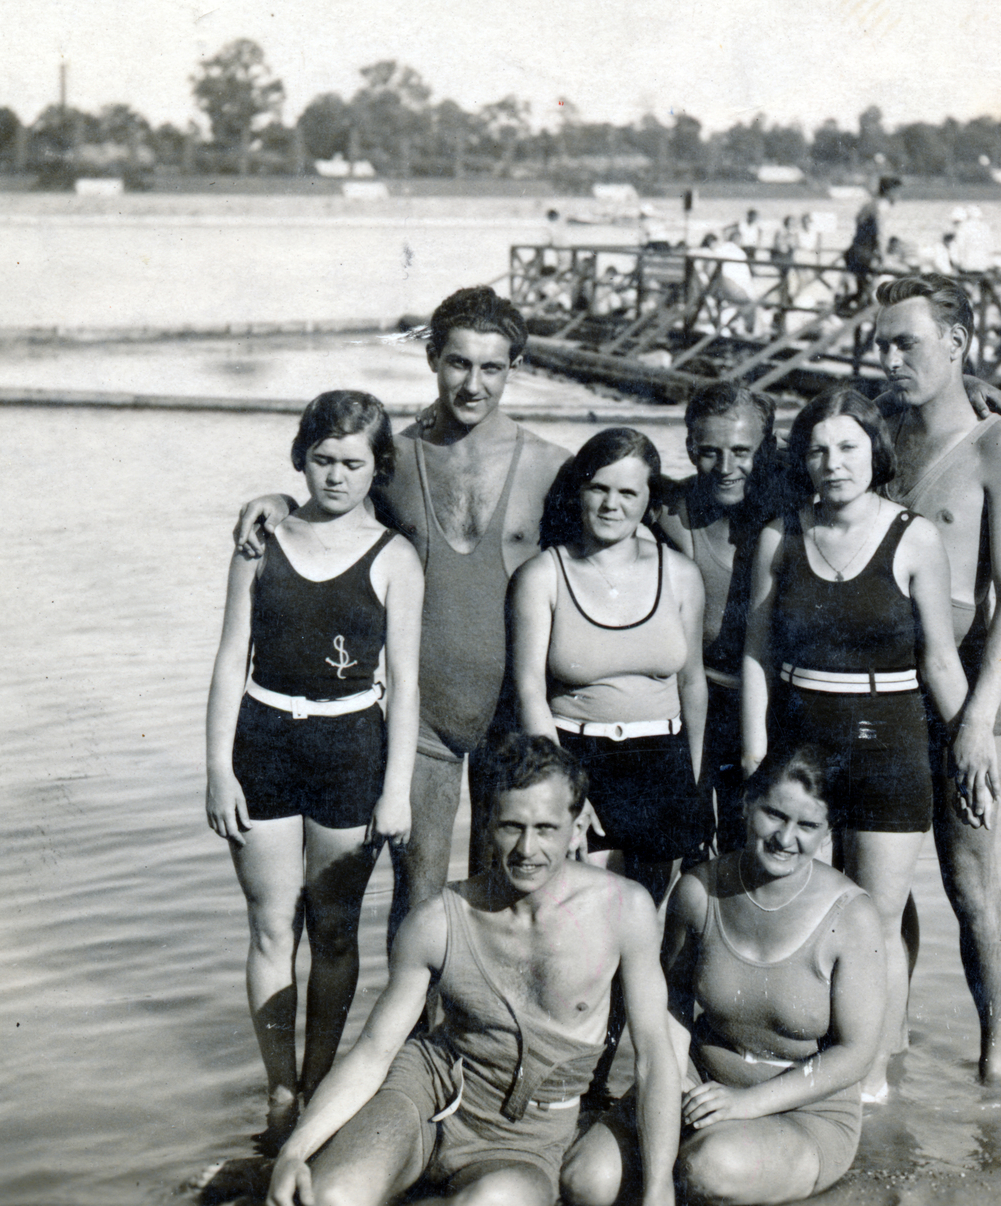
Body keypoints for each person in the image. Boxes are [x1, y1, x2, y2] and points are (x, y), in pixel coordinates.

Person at [234, 288, 570, 947]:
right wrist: (275, 498)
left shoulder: (551, 467)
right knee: (419, 902)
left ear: (516, 366)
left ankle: (481, 1046)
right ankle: (414, 1046)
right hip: (425, 724)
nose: (472, 384)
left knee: (510, 898)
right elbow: (331, 500)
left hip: (512, 713)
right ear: (431, 358)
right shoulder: (395, 463)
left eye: (491, 368)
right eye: (457, 363)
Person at [265, 734, 680, 1206]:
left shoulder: (624, 910)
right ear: (486, 825)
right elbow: (374, 1051)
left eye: (546, 828)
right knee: (332, 1196)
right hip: (426, 1095)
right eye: (511, 826)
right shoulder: (437, 921)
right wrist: (294, 1150)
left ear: (579, 825)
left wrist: (659, 1187)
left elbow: (654, 1058)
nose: (527, 848)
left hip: (529, 1136)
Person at [741, 386, 973, 1101]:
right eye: (817, 450)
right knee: (802, 908)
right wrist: (755, 750)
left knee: (875, 916)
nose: (833, 463)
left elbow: (939, 657)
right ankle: (800, 1059)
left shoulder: (916, 538)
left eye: (847, 447)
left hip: (889, 742)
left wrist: (973, 746)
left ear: (876, 451)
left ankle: (873, 1077)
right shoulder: (782, 536)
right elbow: (755, 649)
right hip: (800, 746)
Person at [205, 391, 426, 1144]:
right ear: (301, 457)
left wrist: (396, 790)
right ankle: (278, 1091)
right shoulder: (259, 540)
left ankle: (322, 1077)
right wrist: (217, 770)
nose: (335, 475)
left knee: (334, 930)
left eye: (353, 463)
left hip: (351, 749)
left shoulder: (396, 557)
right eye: (323, 459)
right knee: (271, 927)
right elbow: (231, 657)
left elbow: (408, 682)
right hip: (263, 740)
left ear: (377, 468)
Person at [561, 745, 886, 1206]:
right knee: (584, 1181)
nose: (785, 838)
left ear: (827, 831)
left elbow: (856, 1054)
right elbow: (670, 1003)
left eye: (807, 825)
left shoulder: (852, 917)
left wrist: (745, 1105)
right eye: (774, 814)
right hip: (701, 1087)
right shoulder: (699, 891)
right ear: (747, 802)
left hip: (804, 1110)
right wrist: (672, 1082)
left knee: (709, 1168)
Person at [872, 273, 1001, 1083]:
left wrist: (978, 720)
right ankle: (891, 1047)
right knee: (880, 870)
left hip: (965, 682)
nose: (891, 358)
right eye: (883, 344)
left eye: (908, 343)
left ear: (957, 343)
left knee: (969, 876)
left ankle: (996, 1060)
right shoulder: (881, 431)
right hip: (880, 680)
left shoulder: (999, 450)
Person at [512, 428, 709, 903]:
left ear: (648, 500)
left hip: (660, 764)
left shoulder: (680, 573)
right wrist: (563, 797)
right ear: (580, 489)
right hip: (577, 760)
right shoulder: (543, 575)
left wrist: (695, 786)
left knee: (645, 917)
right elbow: (529, 690)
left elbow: (693, 683)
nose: (610, 504)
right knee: (583, 918)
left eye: (627, 492)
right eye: (598, 488)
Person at [654, 383, 778, 855]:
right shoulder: (665, 510)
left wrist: (969, 385)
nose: (726, 469)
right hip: (688, 702)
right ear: (688, 448)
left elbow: (863, 424)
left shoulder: (793, 507)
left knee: (748, 854)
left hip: (767, 707)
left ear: (766, 448)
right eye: (709, 452)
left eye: (741, 452)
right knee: (677, 849)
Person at [842, 177, 900, 294]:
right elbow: (880, 235)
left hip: (854, 253)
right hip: (865, 256)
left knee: (864, 292)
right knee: (906, 272)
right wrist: (883, 258)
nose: (898, 196)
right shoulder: (882, 207)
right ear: (889, 191)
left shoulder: (869, 205)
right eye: (897, 192)